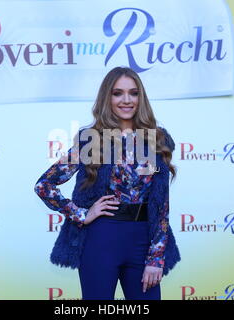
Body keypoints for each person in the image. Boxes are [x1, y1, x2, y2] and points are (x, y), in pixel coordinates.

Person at [34, 66, 180, 300]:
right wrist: (81, 213)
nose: (126, 100)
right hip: (100, 240)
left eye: (133, 93)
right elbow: (44, 185)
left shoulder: (155, 139)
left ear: (140, 98)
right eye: (117, 93)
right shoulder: (93, 140)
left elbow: (161, 204)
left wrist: (156, 257)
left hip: (143, 241)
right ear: (107, 97)